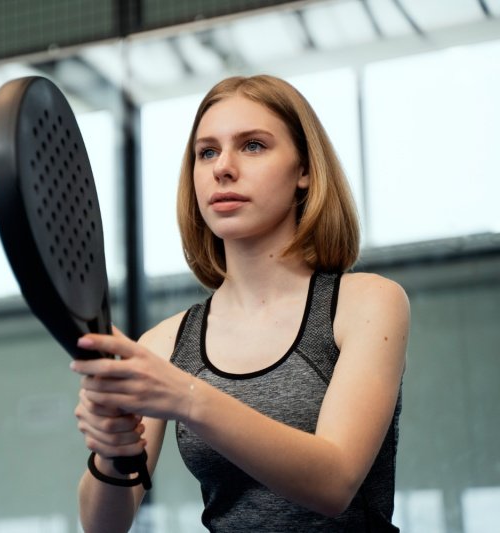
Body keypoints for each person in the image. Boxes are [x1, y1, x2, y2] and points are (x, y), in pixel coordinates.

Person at [70, 75, 409, 532]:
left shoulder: (367, 303)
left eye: (252, 146)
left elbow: (334, 483)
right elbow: (103, 527)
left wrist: (187, 398)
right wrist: (113, 450)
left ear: (305, 171)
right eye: (207, 152)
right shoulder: (166, 344)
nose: (222, 168)